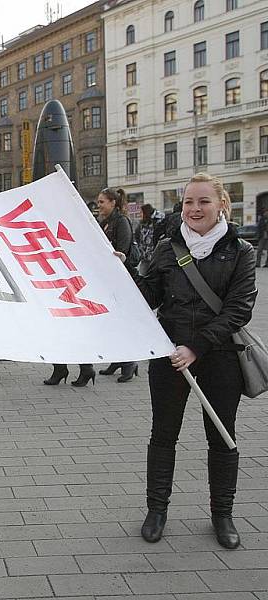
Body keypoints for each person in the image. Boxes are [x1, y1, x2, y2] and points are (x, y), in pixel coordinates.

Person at [131, 172, 255, 549]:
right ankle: (156, 510)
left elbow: (239, 310)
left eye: (203, 201)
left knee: (221, 436)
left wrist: (197, 347)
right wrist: (122, 270)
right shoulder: (168, 248)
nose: (195, 208)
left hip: (219, 358)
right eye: (188, 202)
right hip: (169, 356)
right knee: (163, 434)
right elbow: (147, 295)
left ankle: (223, 515)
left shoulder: (240, 251)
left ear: (221, 205)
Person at [96, 187, 138, 383]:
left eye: (102, 202)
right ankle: (117, 359)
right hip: (108, 279)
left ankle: (130, 362)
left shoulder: (121, 222)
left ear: (113, 203)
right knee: (112, 322)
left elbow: (123, 250)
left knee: (124, 322)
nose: (99, 205)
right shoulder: (104, 222)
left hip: (123, 279)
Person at [134, 204, 164, 276]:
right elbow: (138, 237)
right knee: (142, 276)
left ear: (145, 212)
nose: (139, 215)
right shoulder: (142, 224)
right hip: (145, 257)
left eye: (141, 212)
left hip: (156, 257)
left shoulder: (158, 222)